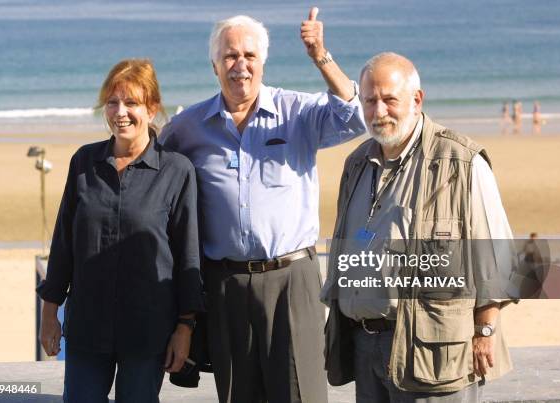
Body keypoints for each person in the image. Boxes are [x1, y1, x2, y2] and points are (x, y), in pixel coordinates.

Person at [161, 8, 367, 403]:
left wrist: (320, 55)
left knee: (300, 393)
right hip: (225, 284)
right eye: (230, 56)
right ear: (214, 65)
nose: (240, 65)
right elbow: (155, 168)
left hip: (293, 277)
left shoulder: (297, 113)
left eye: (249, 56)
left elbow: (355, 118)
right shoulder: (188, 126)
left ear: (263, 62)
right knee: (239, 395)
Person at [321, 52, 516, 402]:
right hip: (364, 346)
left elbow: (497, 256)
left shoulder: (461, 161)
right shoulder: (357, 164)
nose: (378, 111)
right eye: (370, 101)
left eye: (389, 100)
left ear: (417, 99)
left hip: (432, 350)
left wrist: (485, 329)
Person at [37, 59, 204, 403]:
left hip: (148, 330)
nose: (120, 112)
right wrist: (50, 312)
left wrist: (185, 327)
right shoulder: (84, 162)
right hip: (87, 327)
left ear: (153, 108)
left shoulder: (177, 171)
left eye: (132, 103)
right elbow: (64, 243)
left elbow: (188, 255)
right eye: (113, 102)